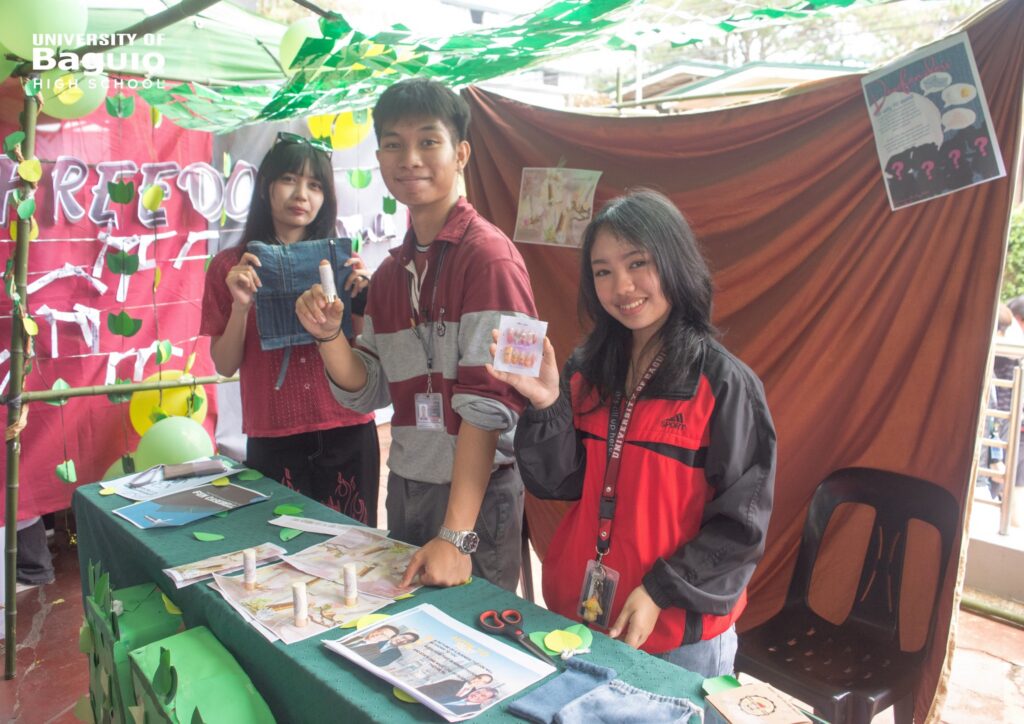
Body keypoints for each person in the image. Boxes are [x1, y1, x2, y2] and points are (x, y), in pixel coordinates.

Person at [489, 190, 775, 678]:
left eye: (637, 263)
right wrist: (546, 403)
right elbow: (557, 483)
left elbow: (740, 530)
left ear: (674, 261)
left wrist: (660, 591)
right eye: (602, 271)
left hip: (673, 637)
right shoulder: (585, 369)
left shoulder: (725, 385)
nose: (622, 286)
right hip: (576, 624)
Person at [296, 78, 537, 591]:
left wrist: (455, 535)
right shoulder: (389, 275)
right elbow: (370, 387)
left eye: (429, 141)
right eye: (393, 144)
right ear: (379, 157)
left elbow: (491, 407)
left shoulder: (490, 259)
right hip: (406, 486)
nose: (410, 158)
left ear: (462, 153)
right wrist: (329, 335)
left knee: (474, 653)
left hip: (475, 497)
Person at [200, 133, 380, 523]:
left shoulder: (342, 261)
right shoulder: (230, 267)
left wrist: (363, 301)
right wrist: (240, 308)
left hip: (347, 430)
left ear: (326, 198)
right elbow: (225, 365)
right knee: (280, 556)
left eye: (315, 185)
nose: (302, 194)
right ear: (266, 188)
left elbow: (364, 355)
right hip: (273, 435)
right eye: (289, 180)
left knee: (356, 553)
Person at [349, 631, 421, 668]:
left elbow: (380, 664)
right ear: (398, 635)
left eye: (407, 641)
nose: (402, 640)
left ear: (407, 643)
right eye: (403, 637)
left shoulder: (397, 655)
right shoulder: (378, 638)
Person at [418, 672, 494, 701]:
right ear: (475, 676)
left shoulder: (473, 695)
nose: (478, 681)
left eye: (483, 681)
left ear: (484, 685)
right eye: (479, 678)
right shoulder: (452, 682)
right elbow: (427, 688)